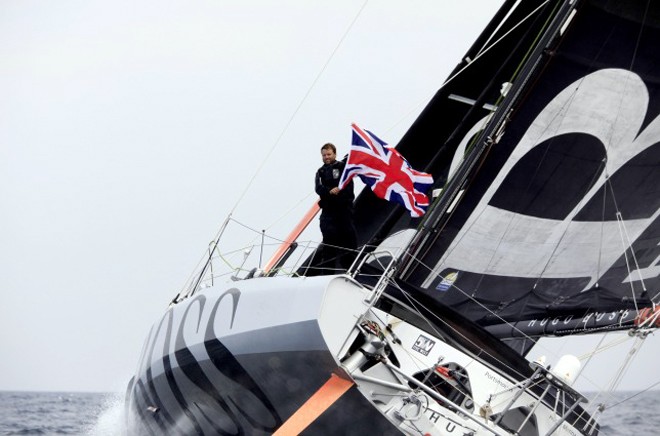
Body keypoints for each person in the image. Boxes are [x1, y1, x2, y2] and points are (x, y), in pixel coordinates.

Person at [314, 142, 357, 274]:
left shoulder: (343, 167)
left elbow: (349, 187)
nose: (326, 157)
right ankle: (327, 272)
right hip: (329, 211)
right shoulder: (320, 172)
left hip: (343, 209)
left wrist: (340, 191)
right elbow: (318, 188)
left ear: (334, 154)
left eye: (328, 154)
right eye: (324, 155)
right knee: (329, 241)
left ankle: (351, 270)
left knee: (348, 238)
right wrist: (329, 191)